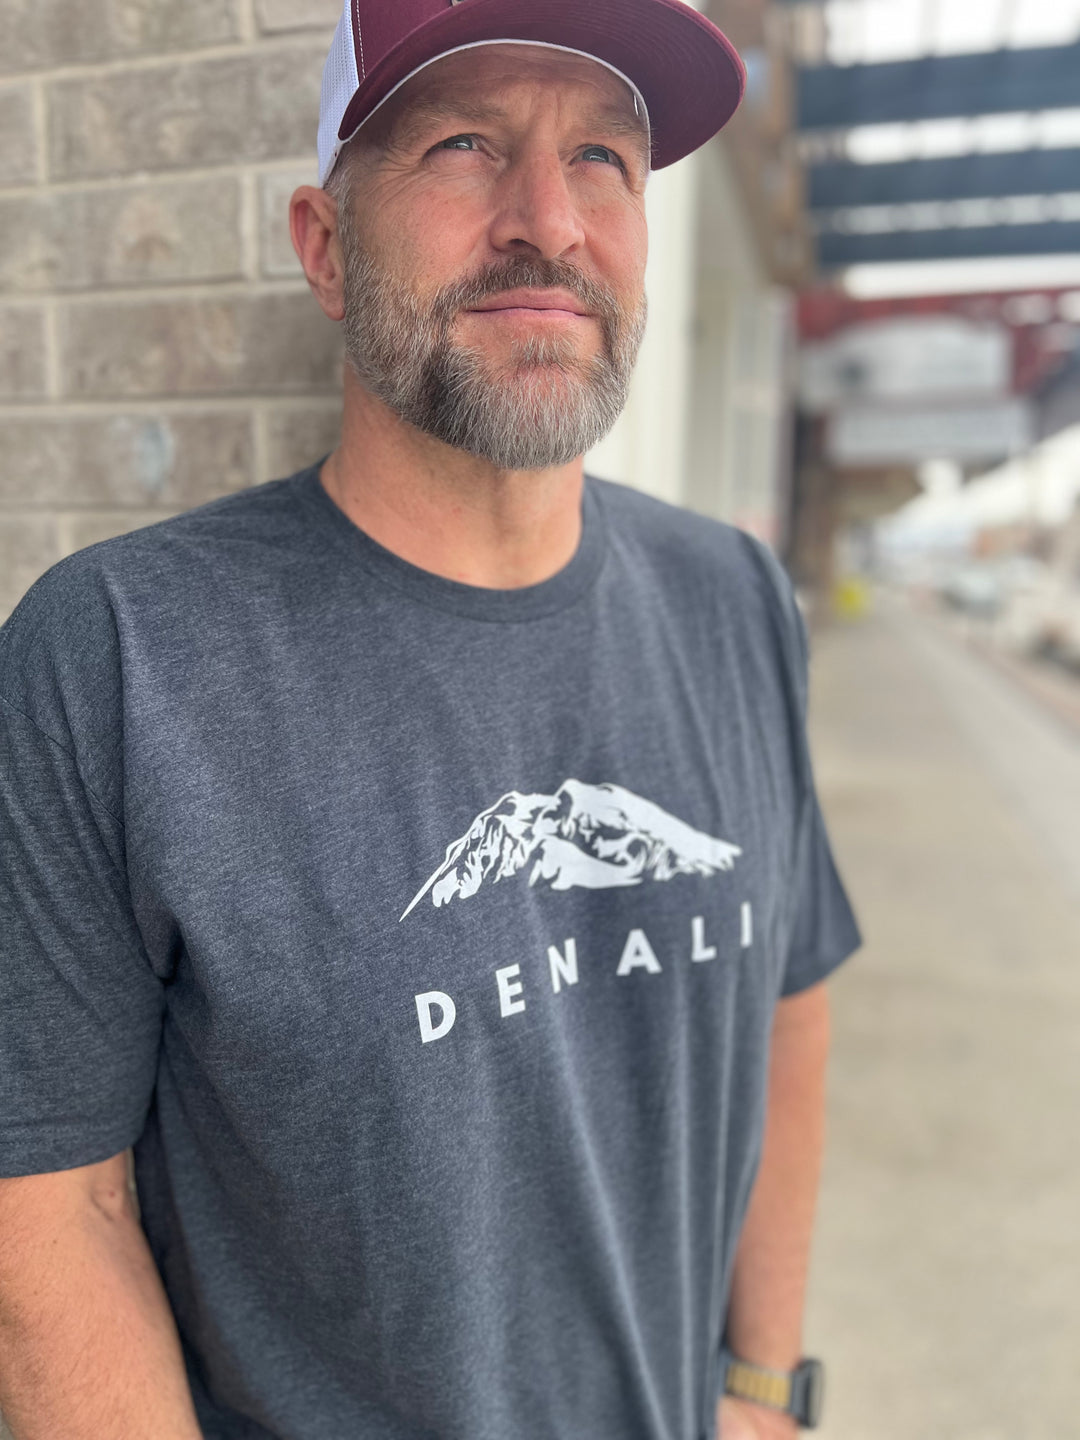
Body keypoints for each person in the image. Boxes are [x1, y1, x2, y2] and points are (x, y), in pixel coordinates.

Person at [0, 1, 860, 1437]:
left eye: (604, 159)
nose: (550, 223)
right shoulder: (116, 657)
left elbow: (793, 1000)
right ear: (326, 249)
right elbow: (49, 1216)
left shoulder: (735, 601)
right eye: (463, 143)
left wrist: (764, 1389)